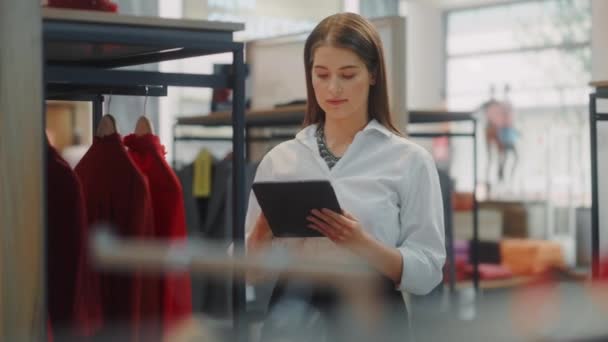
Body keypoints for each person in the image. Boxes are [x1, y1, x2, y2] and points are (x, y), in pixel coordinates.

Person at [246, 12, 445, 342]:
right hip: (292, 317)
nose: (333, 88)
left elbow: (428, 272)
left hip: (374, 316)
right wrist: (262, 232)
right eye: (321, 74)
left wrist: (363, 245)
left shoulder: (410, 160)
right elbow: (252, 273)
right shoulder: (279, 161)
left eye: (347, 74)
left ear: (373, 74)